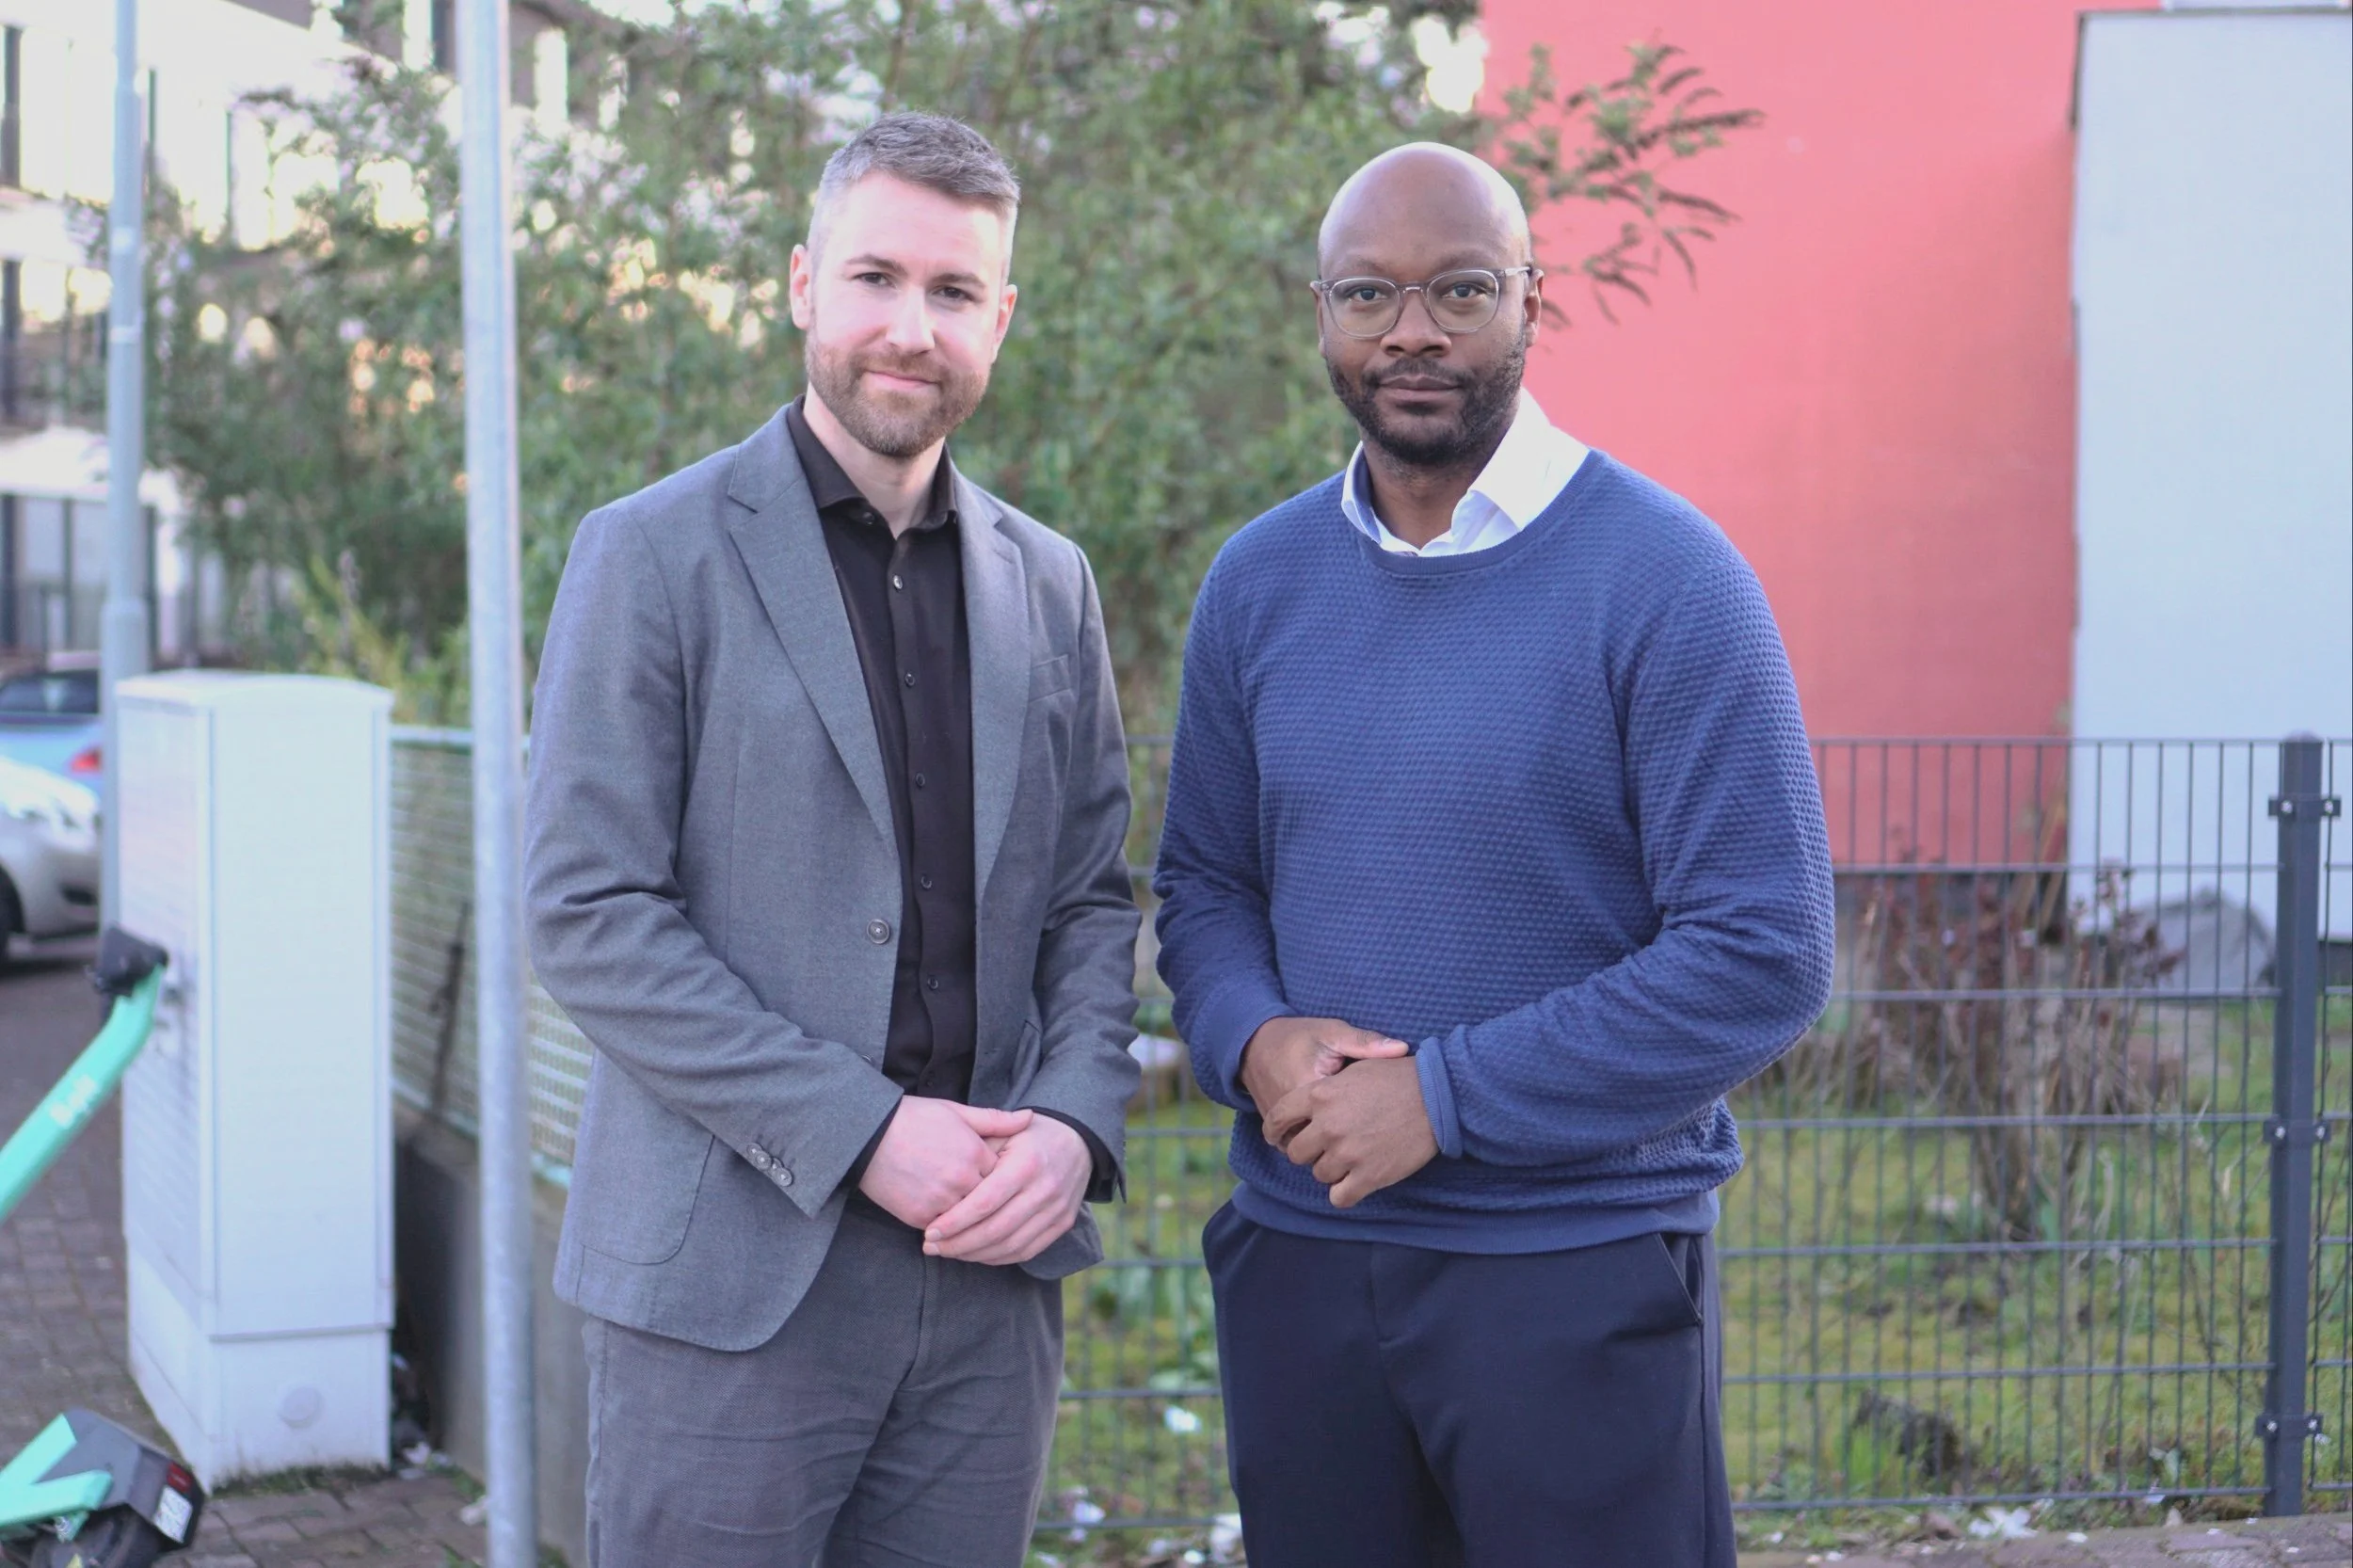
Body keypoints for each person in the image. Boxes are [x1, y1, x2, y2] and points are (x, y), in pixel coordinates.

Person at [1152, 142, 1836, 1567]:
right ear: (1322, 316)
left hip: (1571, 1276)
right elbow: (1204, 885)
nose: (1412, 330)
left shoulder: (1668, 579)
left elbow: (1763, 954)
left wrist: (1446, 1097)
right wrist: (1255, 1038)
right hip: (1307, 1259)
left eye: (1460, 288)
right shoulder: (1256, 584)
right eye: (1369, 295)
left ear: (1534, 301)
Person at [525, 112, 1141, 1567]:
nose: (908, 328)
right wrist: (860, 1129)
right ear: (805, 285)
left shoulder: (1050, 585)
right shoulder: (653, 552)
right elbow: (589, 912)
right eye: (876, 277)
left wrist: (1073, 1122)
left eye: (951, 292)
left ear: (1002, 317)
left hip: (987, 1285)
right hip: (728, 1286)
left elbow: (1089, 904)